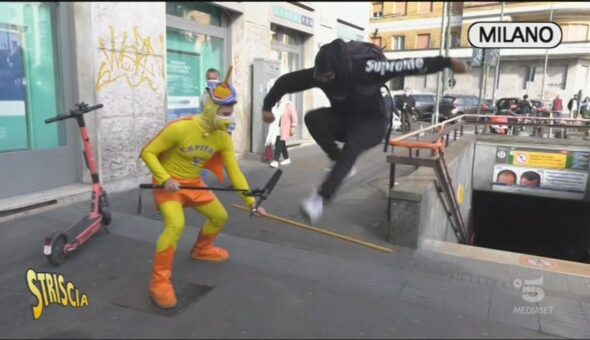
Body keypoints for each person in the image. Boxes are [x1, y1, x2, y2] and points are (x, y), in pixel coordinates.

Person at [261, 38, 468, 223]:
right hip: (344, 120)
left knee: (352, 147)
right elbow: (286, 82)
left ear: (339, 70)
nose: (323, 81)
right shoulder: (319, 74)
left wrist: (447, 63)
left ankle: (319, 200)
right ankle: (339, 160)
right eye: (320, 77)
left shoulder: (368, 69)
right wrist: (267, 106)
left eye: (327, 77)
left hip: (373, 124)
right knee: (313, 118)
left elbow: (410, 65)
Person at [140, 70, 266, 309]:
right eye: (225, 113)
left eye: (231, 113)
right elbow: (148, 152)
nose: (230, 118)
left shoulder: (222, 138)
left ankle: (202, 249)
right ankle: (159, 282)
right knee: (175, 225)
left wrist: (252, 203)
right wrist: (165, 178)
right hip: (169, 187)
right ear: (210, 109)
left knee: (220, 216)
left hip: (194, 184)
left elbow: (235, 172)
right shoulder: (179, 128)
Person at [269, 96, 298, 168]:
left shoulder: (288, 104)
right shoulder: (276, 105)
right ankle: (287, 158)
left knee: (278, 143)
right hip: (276, 127)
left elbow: (294, 116)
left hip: (284, 127)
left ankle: (275, 160)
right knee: (282, 144)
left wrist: (293, 126)